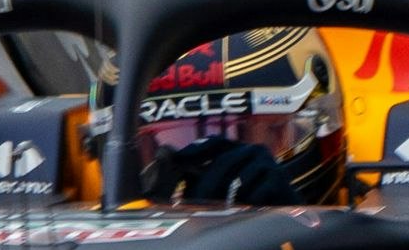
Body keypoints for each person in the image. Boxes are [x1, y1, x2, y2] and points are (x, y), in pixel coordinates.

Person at [125, 24, 347, 206]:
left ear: (296, 130)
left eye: (233, 135)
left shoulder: (361, 240)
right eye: (165, 145)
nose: (187, 183)